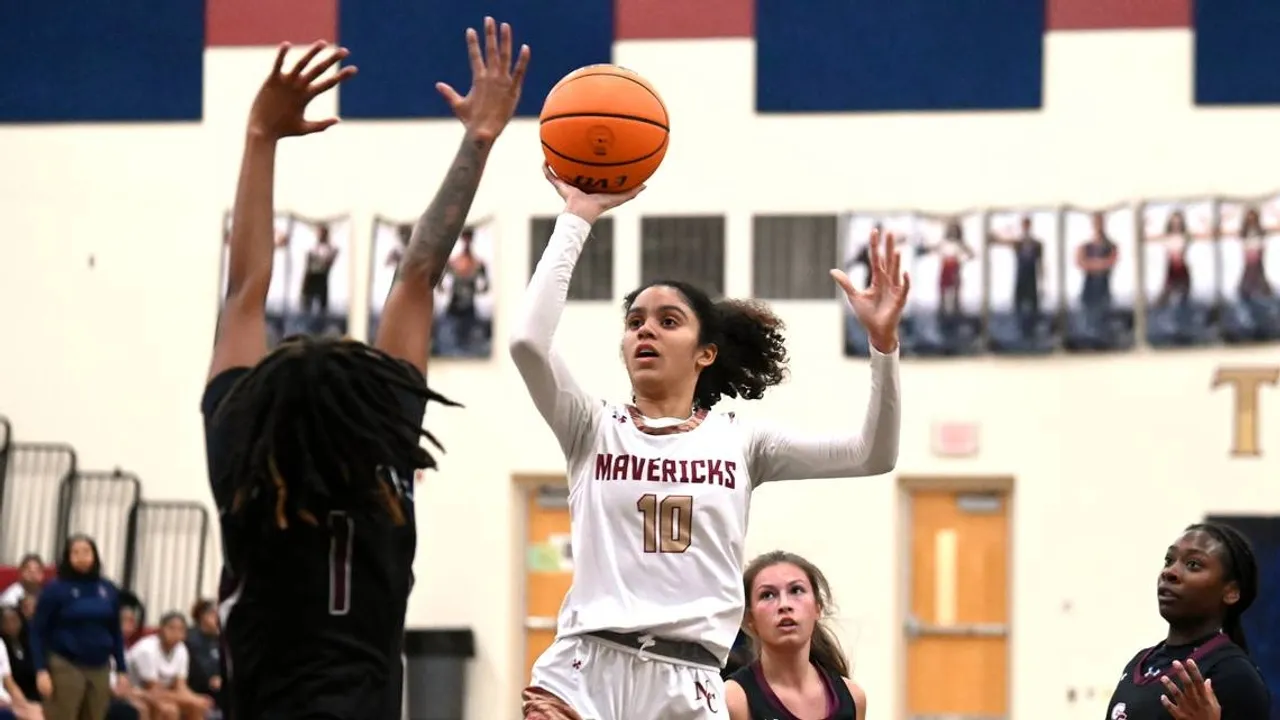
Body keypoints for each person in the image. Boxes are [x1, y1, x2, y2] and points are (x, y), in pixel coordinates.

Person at [203, 16, 528, 719]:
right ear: (368, 404)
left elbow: (243, 294)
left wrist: (260, 136)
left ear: (262, 405)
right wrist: (478, 141)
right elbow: (418, 274)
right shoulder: (382, 460)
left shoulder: (247, 466)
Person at [513, 167, 906, 720]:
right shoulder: (591, 426)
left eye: (667, 321)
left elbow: (873, 454)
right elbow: (528, 342)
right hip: (585, 671)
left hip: (689, 682)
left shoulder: (741, 441)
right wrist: (576, 218)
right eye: (634, 321)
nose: (645, 330)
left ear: (705, 353)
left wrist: (883, 347)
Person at [1104, 522, 1271, 719]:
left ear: (1231, 591)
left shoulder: (1234, 675)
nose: (1169, 572)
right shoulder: (1139, 663)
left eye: (1193, 564)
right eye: (1168, 561)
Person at [726, 551, 865, 720]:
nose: (784, 605)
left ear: (817, 608)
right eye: (767, 595)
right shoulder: (734, 699)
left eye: (796, 590)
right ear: (750, 618)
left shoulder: (853, 697)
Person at [29, 535, 128, 720]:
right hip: (66, 664)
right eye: (75, 553)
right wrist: (41, 670)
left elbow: (115, 631)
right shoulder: (55, 589)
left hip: (100, 666)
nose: (81, 557)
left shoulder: (107, 589)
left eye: (86, 552)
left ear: (95, 556)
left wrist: (122, 669)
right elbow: (37, 631)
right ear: (67, 557)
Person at [126, 613, 210, 719]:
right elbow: (153, 690)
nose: (176, 633)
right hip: (136, 691)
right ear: (160, 629)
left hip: (162, 693)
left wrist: (195, 698)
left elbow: (181, 686)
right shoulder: (147, 650)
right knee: (169, 710)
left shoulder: (181, 649)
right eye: (171, 628)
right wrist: (191, 698)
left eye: (181, 630)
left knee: (197, 707)